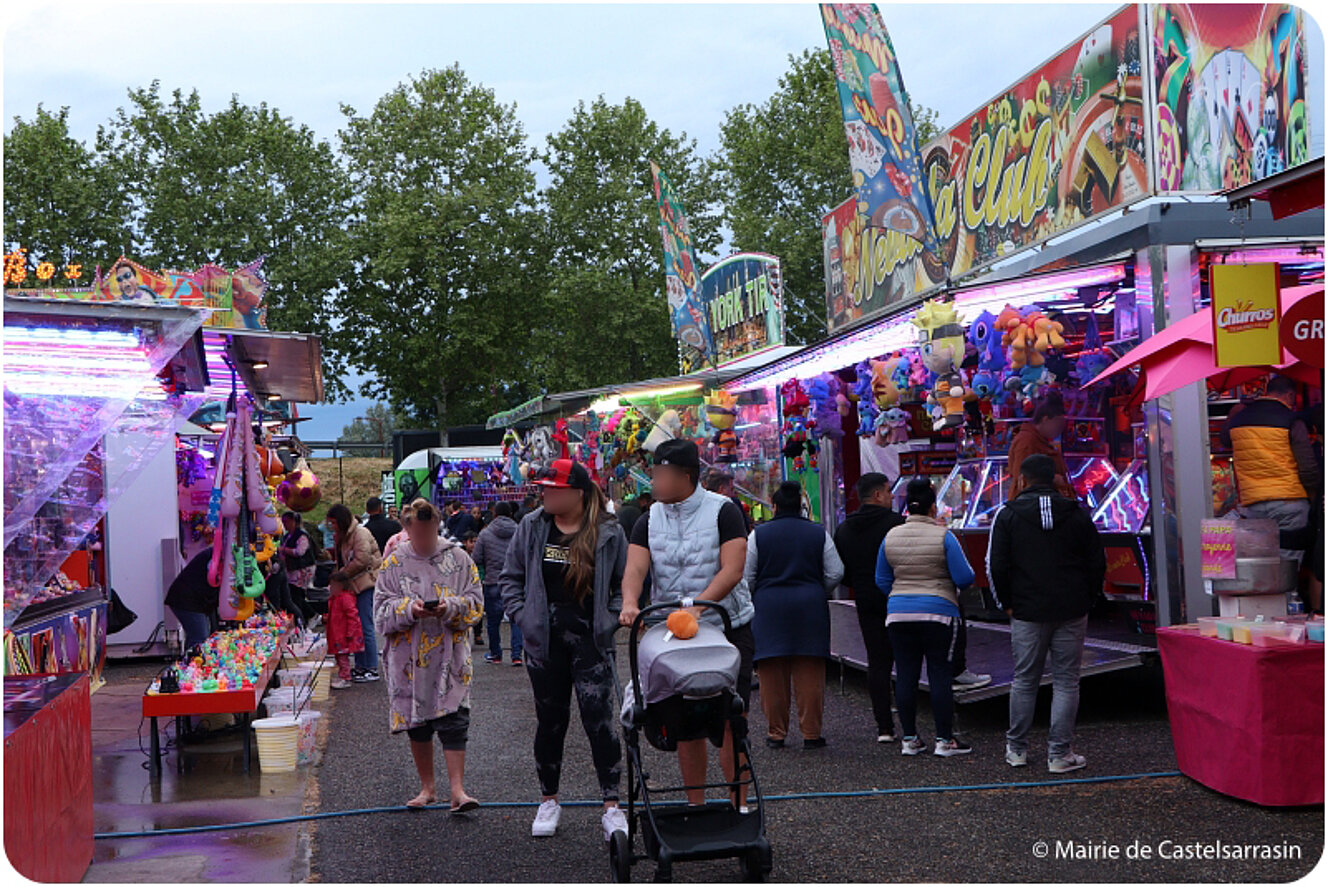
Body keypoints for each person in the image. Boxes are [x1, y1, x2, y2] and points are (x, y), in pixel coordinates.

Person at [620, 438, 756, 810]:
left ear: (687, 476)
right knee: (686, 721)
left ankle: (739, 806)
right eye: (654, 474)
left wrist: (699, 606)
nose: (655, 482)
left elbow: (733, 569)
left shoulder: (723, 511)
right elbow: (635, 567)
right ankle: (696, 806)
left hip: (727, 626)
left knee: (732, 719)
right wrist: (631, 602)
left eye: (661, 475)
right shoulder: (648, 519)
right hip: (675, 632)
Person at [498, 459, 628, 841]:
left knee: (599, 722)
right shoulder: (532, 526)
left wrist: (613, 615)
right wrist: (522, 616)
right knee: (550, 722)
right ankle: (549, 800)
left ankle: (611, 805)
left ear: (578, 493)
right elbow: (511, 576)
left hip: (592, 641)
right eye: (544, 488)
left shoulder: (608, 531)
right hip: (545, 641)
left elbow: (627, 582)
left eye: (554, 488)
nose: (546, 494)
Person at [987, 454, 1106, 773]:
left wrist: (1006, 603)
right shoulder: (1078, 514)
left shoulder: (1007, 515)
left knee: (1025, 679)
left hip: (1026, 610)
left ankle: (1017, 750)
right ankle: (1059, 754)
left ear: (1022, 480)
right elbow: (1097, 561)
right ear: (1054, 479)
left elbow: (995, 564)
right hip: (1071, 608)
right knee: (1067, 680)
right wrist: (1089, 598)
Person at [374, 499, 483, 811]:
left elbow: (476, 604)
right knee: (417, 724)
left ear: (438, 528)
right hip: (407, 659)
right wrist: (410, 609)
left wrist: (451, 607)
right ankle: (427, 788)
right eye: (418, 534)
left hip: (450, 656)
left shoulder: (459, 558)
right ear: (408, 530)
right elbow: (380, 614)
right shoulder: (393, 562)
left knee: (455, 720)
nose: (424, 540)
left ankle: (458, 791)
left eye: (430, 533)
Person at [875, 478, 975, 758]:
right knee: (939, 674)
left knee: (905, 674)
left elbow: (881, 579)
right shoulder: (944, 536)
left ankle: (909, 739)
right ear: (933, 508)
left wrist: (900, 595)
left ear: (907, 508)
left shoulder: (890, 537)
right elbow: (965, 577)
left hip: (898, 614)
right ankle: (944, 741)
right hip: (939, 612)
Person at [745, 481, 844, 749]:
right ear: (800, 507)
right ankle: (811, 734)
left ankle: (776, 733)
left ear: (774, 507)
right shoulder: (818, 533)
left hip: (769, 608)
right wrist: (815, 589)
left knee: (771, 670)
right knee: (810, 669)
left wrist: (759, 594)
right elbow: (836, 571)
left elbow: (746, 576)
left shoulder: (758, 535)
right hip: (809, 606)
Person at [833, 472, 904, 742]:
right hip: (898, 597)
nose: (891, 496)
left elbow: (841, 571)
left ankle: (884, 727)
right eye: (888, 491)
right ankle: (909, 729)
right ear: (877, 495)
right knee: (905, 660)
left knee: (878, 662)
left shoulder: (845, 528)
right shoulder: (896, 524)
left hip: (865, 598)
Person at [1221, 375, 1321, 564]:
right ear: (1290, 395)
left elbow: (1224, 439)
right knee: (1288, 565)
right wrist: (1313, 496)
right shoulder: (1291, 420)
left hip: (1253, 506)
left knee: (1261, 564)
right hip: (1289, 503)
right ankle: (1288, 594)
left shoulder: (1238, 420)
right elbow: (1307, 467)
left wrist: (1234, 413)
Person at [326, 504, 383, 683]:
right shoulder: (344, 537)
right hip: (354, 584)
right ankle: (360, 665)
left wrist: (343, 574)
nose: (332, 526)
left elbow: (362, 559)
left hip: (366, 583)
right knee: (356, 626)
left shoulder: (360, 533)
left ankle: (371, 667)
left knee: (365, 625)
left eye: (334, 523)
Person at [474, 501, 522, 665]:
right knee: (516, 619)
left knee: (493, 622)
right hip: (515, 580)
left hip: (493, 581)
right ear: (511, 514)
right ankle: (516, 655)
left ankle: (496, 653)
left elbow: (476, 558)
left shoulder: (485, 534)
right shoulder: (519, 531)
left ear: (494, 514)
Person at [1006, 395, 1072, 498]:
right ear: (1045, 420)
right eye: (1059, 425)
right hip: (1034, 506)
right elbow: (1023, 478)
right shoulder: (1027, 442)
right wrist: (1054, 479)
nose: (1060, 430)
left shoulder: (1039, 441)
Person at [166, 548, 219, 652]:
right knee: (200, 638)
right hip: (188, 599)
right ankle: (193, 664)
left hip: (187, 598)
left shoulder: (216, 554)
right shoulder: (217, 557)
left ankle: (188, 662)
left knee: (196, 637)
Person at [279, 511, 319, 624]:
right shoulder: (287, 536)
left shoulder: (302, 535)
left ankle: (310, 614)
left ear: (293, 521)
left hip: (302, 569)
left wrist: (284, 550)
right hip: (291, 569)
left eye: (286, 522)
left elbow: (300, 551)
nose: (285, 524)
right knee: (294, 593)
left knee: (296, 593)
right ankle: (304, 617)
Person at [326, 574, 364, 690]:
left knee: (342, 658)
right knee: (339, 656)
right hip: (337, 633)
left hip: (343, 634)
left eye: (333, 585)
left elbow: (353, 616)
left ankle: (345, 677)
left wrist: (350, 632)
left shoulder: (345, 598)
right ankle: (343, 675)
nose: (331, 588)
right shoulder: (335, 598)